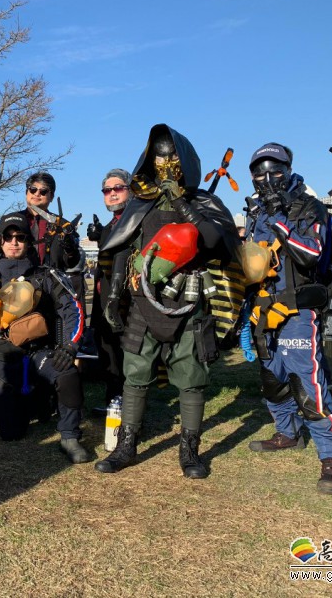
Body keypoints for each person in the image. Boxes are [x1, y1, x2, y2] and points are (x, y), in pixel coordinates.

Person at [94, 124, 238, 479]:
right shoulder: (139, 204)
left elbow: (216, 242)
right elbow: (122, 248)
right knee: (135, 374)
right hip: (143, 301)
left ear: (184, 160)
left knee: (192, 376)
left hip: (189, 301)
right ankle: (126, 446)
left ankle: (190, 452)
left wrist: (182, 205)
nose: (165, 164)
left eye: (172, 156)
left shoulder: (203, 203)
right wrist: (113, 296)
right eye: (159, 157)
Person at [243, 142, 332, 495]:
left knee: (307, 383)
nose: (267, 178)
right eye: (259, 172)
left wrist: (279, 220)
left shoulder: (308, 206)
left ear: (288, 170)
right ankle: (287, 433)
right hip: (262, 309)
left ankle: (330, 456)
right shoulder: (255, 211)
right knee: (272, 378)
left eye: (275, 170)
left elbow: (311, 254)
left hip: (298, 309)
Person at [0, 212, 89, 462]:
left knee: (67, 373)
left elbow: (73, 309)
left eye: (20, 237)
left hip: (40, 353)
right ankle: (35, 401)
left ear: (29, 242)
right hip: (4, 360)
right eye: (8, 237)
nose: (14, 242)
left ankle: (70, 436)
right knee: (11, 433)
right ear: (0, 241)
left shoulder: (45, 274)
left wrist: (70, 346)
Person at [86, 169, 132, 411]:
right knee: (106, 349)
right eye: (107, 190)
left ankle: (130, 406)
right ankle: (114, 401)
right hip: (103, 299)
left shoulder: (137, 220)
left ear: (130, 190)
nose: (112, 194)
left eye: (118, 188)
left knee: (126, 352)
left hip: (127, 301)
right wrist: (100, 236)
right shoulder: (109, 226)